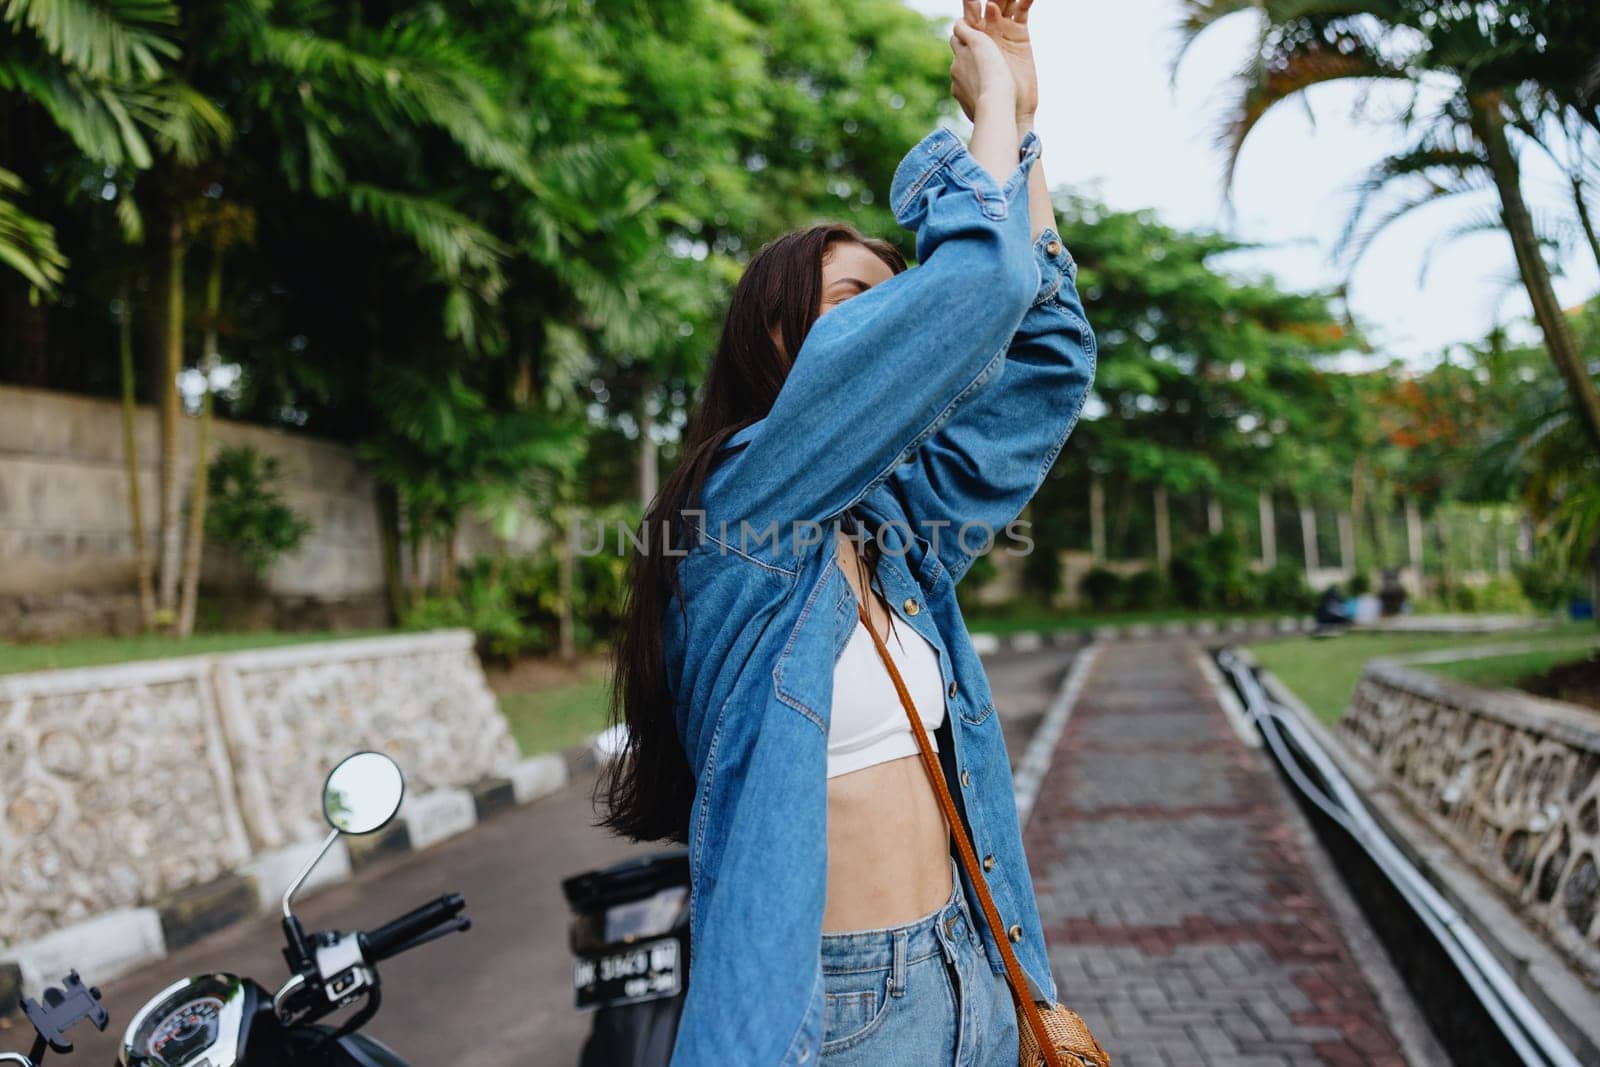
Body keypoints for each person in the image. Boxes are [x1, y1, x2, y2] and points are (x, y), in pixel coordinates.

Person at [599, 1, 1096, 1062]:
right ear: (778, 344)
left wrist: (1026, 128)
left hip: (970, 965)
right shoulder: (740, 504)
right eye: (854, 303)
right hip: (837, 1011)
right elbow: (979, 286)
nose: (894, 326)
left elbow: (1042, 352)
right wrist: (987, 116)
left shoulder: (891, 532)